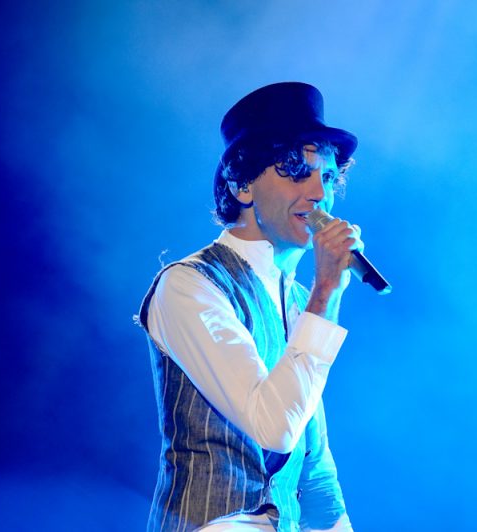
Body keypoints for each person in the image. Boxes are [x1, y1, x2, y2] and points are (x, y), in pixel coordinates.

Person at [137, 82, 360, 531]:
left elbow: (314, 466)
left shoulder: (300, 303)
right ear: (242, 185)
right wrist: (326, 293)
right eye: (297, 172)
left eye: (327, 177)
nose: (319, 193)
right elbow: (273, 425)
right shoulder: (189, 286)